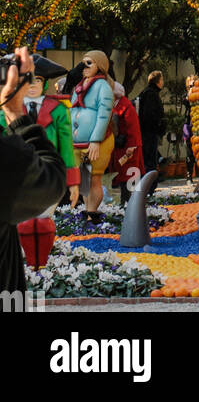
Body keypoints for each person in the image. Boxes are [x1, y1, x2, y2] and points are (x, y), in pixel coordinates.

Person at [0, 47, 66, 295]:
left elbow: (65, 135)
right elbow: (51, 181)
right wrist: (15, 112)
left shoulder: (57, 109)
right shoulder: (7, 159)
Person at [0, 55, 79, 205]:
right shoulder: (7, 109)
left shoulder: (58, 110)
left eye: (38, 80)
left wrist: (73, 182)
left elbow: (66, 147)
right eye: (28, 79)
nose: (32, 84)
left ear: (45, 84)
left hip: (47, 173)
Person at [70, 51, 115, 218]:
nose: (85, 66)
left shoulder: (103, 87)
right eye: (83, 63)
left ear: (99, 65)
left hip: (97, 143)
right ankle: (88, 211)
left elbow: (104, 114)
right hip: (79, 143)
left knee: (94, 179)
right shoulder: (80, 85)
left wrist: (95, 140)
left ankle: (92, 212)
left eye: (89, 63)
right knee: (84, 180)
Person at [108, 82, 145, 204]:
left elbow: (133, 128)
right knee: (124, 177)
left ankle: (131, 203)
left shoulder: (126, 107)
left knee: (130, 176)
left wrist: (131, 146)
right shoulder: (117, 105)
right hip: (122, 146)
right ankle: (127, 201)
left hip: (129, 148)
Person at [138, 70, 166, 179]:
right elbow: (150, 115)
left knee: (150, 160)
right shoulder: (151, 94)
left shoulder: (147, 92)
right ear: (158, 81)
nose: (163, 82)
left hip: (148, 132)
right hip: (149, 133)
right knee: (150, 162)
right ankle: (149, 187)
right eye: (162, 79)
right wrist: (158, 127)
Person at [182, 76, 198, 180]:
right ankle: (189, 174)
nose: (192, 86)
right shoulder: (186, 96)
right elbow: (186, 102)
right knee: (189, 150)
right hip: (188, 124)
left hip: (197, 122)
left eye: (194, 84)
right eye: (190, 85)